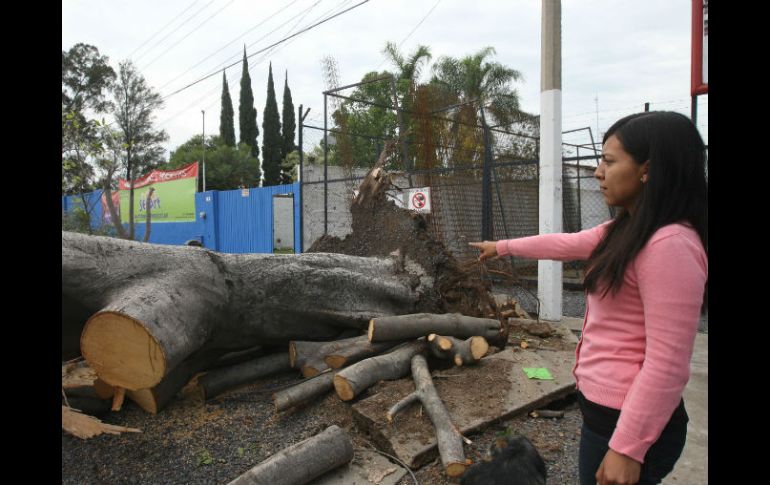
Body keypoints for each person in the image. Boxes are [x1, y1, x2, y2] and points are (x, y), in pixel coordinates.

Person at [470, 111, 707, 485]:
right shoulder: (626, 228)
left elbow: (667, 364)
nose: (598, 171)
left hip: (629, 427)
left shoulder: (670, 245)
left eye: (609, 162)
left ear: (649, 169)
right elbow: (565, 243)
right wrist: (501, 246)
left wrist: (628, 448)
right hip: (604, 418)